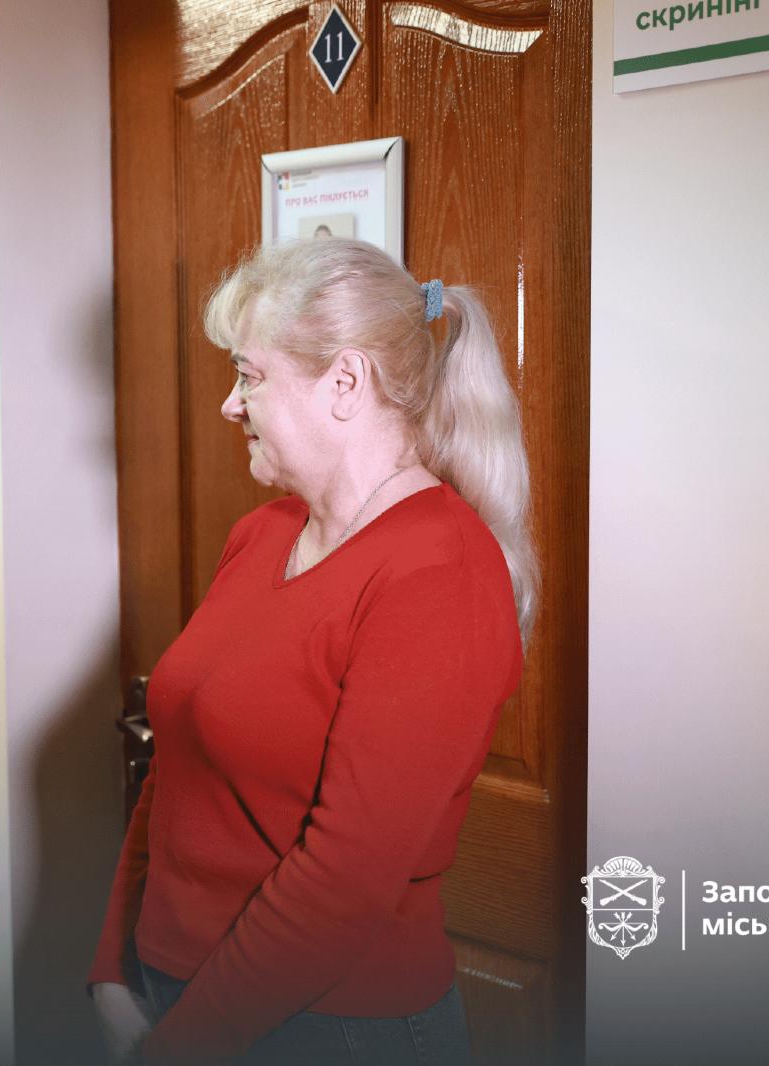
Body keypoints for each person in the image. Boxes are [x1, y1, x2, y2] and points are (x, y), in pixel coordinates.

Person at [88, 238, 536, 1064]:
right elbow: (176, 766)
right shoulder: (264, 534)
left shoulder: (439, 574)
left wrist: (179, 1047)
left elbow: (345, 880)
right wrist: (114, 966)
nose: (231, 404)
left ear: (345, 382)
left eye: (249, 375)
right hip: (175, 992)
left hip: (332, 1028)